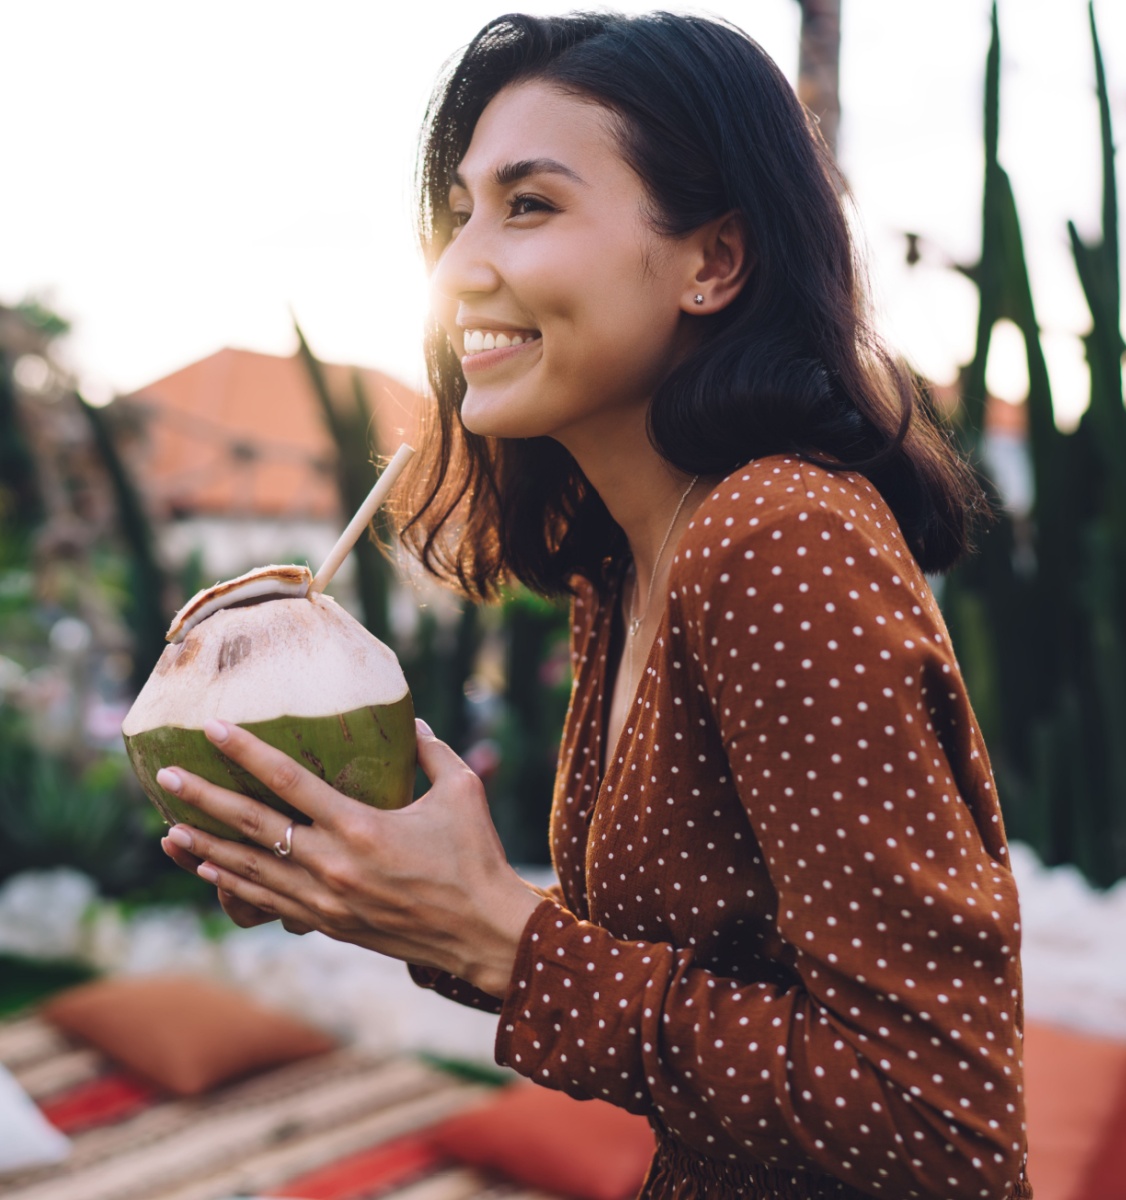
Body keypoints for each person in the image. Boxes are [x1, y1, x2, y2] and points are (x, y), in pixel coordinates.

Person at [159, 12, 1031, 1199]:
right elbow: (687, 980)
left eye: (529, 204)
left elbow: (936, 1115)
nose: (462, 264)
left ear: (713, 260)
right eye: (460, 211)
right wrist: (405, 903)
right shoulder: (620, 564)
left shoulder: (780, 539)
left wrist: (501, 940)